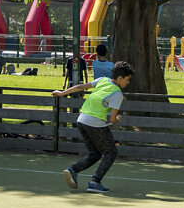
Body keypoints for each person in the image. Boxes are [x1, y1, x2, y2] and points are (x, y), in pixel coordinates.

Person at [52, 61, 133, 193]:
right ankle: (95, 182)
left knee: (95, 154)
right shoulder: (118, 94)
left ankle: (73, 170)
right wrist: (118, 119)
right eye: (127, 79)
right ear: (120, 78)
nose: (128, 82)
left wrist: (62, 93)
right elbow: (112, 119)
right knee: (111, 152)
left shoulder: (102, 80)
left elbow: (81, 86)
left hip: (82, 120)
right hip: (95, 123)